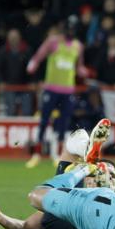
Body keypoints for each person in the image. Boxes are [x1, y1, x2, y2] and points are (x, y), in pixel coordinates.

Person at [25, 15, 88, 168]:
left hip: (67, 90)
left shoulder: (78, 46)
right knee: (44, 120)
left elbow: (78, 65)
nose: (70, 31)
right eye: (69, 28)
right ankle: (37, 154)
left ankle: (57, 155)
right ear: (64, 28)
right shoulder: (53, 41)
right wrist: (33, 63)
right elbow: (40, 54)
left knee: (63, 123)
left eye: (73, 28)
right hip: (51, 88)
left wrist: (83, 71)